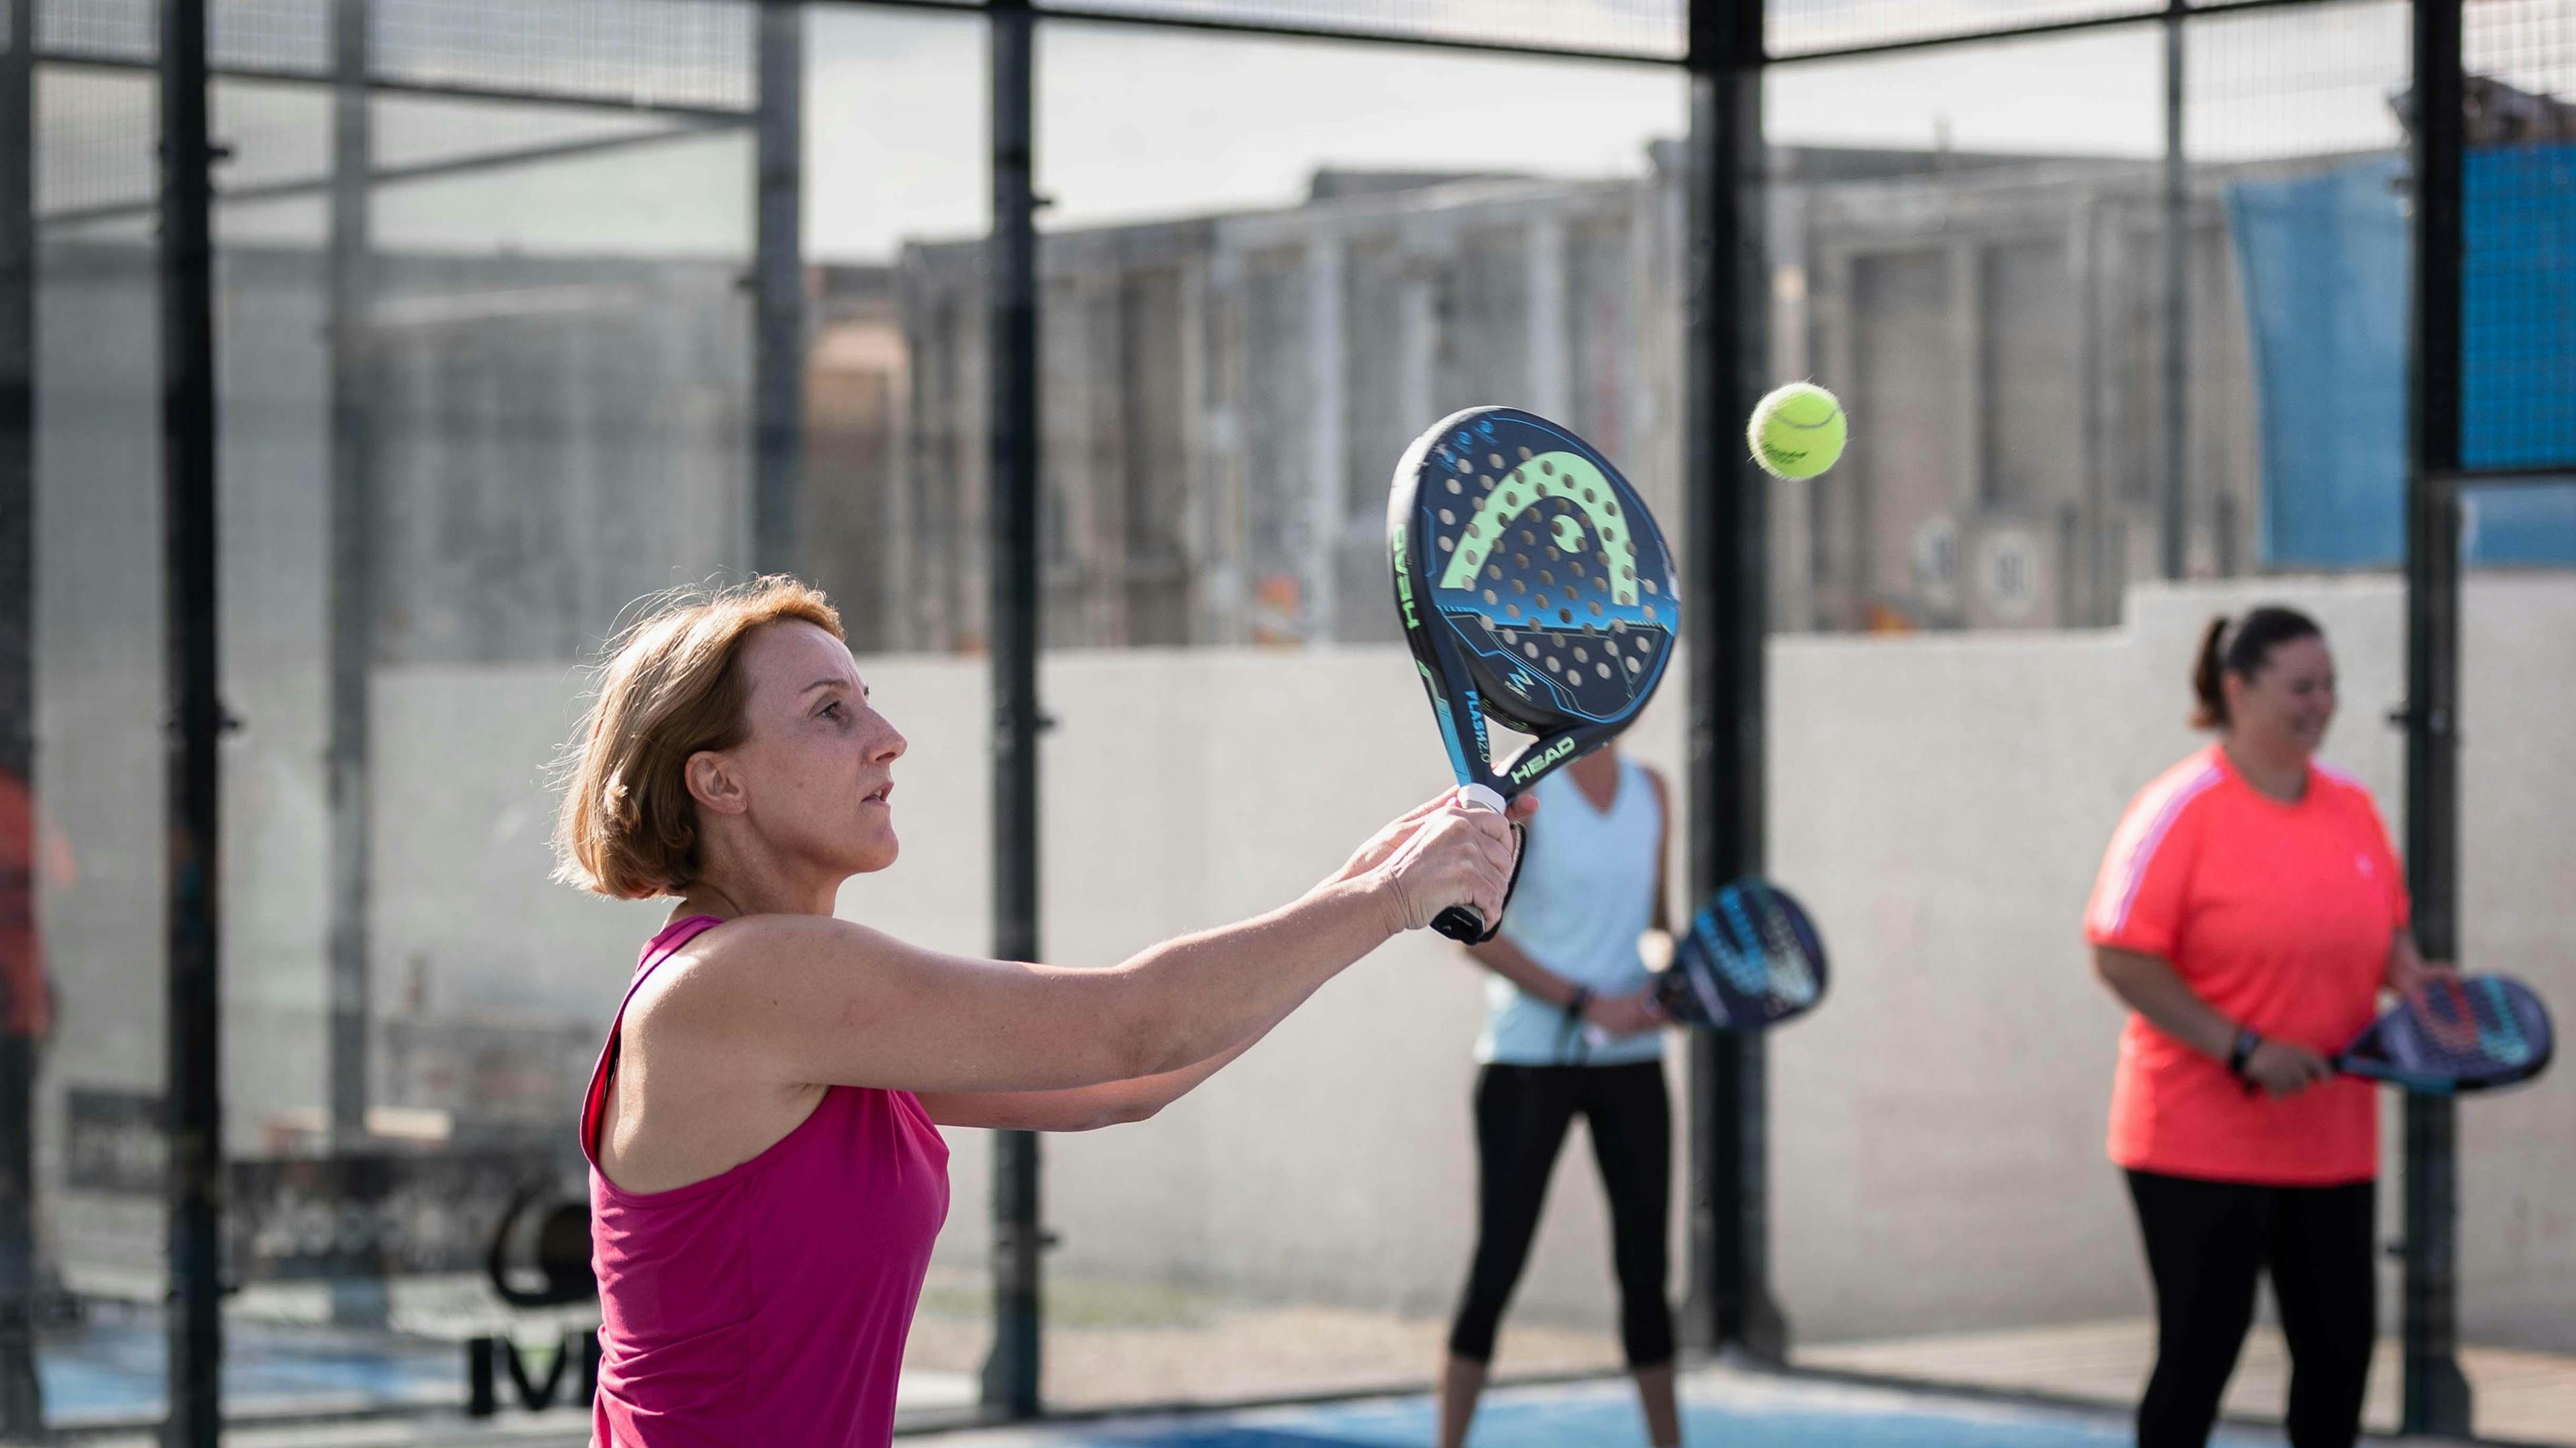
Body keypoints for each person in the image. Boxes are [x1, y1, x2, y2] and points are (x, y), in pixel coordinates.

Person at [553, 577, 1527, 1448]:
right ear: (719, 780)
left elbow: (1124, 1082)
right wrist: (1388, 892)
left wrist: (1376, 880)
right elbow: (1133, 1022)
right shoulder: (743, 978)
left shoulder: (792, 1005)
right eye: (829, 711)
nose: (887, 735)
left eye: (866, 700)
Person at [2086, 606, 2450, 1448]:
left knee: (2338, 1361)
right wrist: (2244, 1048)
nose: (2321, 703)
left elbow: (2381, 926)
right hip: (2194, 1142)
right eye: (2301, 686)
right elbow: (2121, 955)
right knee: (2199, 1353)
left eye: (2329, 686)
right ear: (2237, 689)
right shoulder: (2178, 809)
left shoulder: (2352, 806)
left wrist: (2412, 975)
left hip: (2330, 1138)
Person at [1439, 738, 1678, 1448]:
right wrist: (1584, 1001)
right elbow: (1472, 933)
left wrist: (1665, 983)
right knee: (1498, 1265)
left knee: (1646, 1272)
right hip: (1526, 1062)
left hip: (1634, 1062)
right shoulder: (1527, 797)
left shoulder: (1654, 791)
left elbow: (1658, 926)